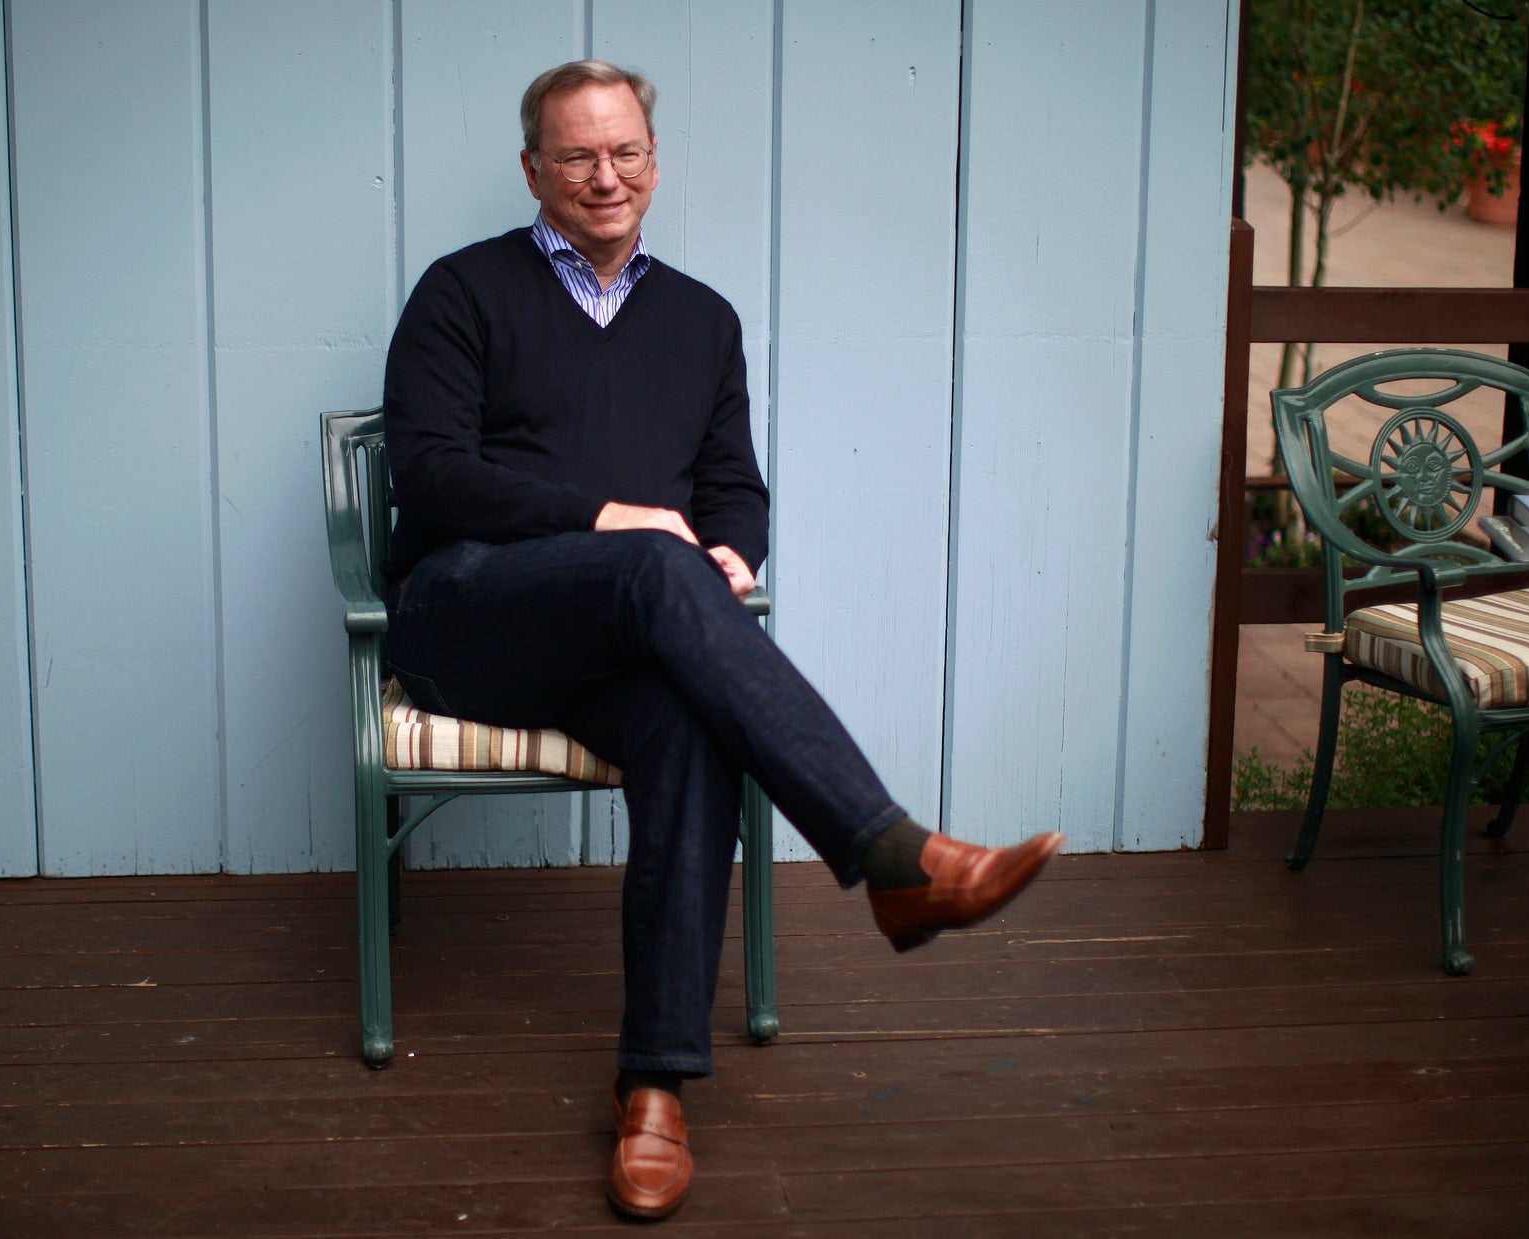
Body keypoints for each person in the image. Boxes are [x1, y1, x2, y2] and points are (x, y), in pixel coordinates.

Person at [380, 59, 1065, 1221]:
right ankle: (894, 857)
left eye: (627, 152)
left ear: (654, 157)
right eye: (579, 156)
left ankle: (652, 1088)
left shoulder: (700, 319)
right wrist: (614, 524)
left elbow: (730, 488)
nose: (607, 177)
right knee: (654, 560)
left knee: (690, 721)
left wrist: (733, 555)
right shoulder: (461, 292)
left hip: (622, 634)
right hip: (471, 610)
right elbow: (429, 472)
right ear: (533, 169)